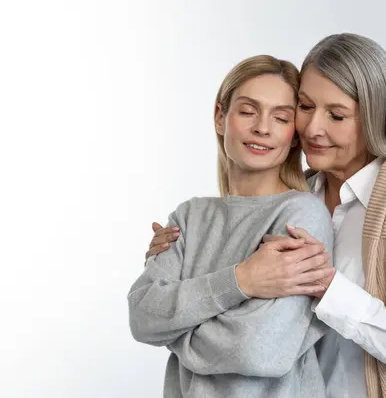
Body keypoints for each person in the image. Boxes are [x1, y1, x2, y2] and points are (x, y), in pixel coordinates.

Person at [147, 33, 386, 398]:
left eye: (337, 115)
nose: (313, 128)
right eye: (306, 107)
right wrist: (181, 259)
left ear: (374, 117)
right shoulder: (298, 197)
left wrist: (331, 292)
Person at [128, 55, 336, 398]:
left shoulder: (302, 215)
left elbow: (255, 348)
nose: (263, 128)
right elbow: (142, 318)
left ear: (294, 136)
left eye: (281, 117)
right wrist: (242, 280)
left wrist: (176, 326)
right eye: (248, 111)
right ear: (220, 116)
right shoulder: (188, 217)